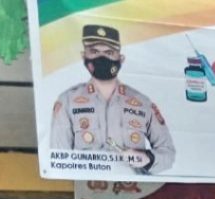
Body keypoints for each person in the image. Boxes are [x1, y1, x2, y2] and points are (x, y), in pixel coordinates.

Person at [50, 24, 175, 174]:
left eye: (109, 52)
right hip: (88, 187)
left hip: (134, 189)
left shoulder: (142, 103)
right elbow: (58, 159)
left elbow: (167, 153)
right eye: (94, 51)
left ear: (120, 59)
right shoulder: (67, 101)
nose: (101, 58)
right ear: (84, 56)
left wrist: (147, 158)